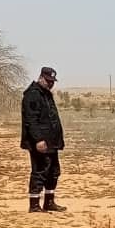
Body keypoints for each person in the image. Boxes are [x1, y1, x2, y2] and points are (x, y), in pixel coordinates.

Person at [20, 66, 66, 212]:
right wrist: (38, 139)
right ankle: (34, 205)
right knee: (40, 171)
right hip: (40, 143)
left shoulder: (46, 94)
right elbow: (31, 120)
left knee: (53, 172)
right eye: (48, 81)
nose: (51, 83)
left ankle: (49, 202)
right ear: (41, 78)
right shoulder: (32, 95)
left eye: (52, 81)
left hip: (51, 142)